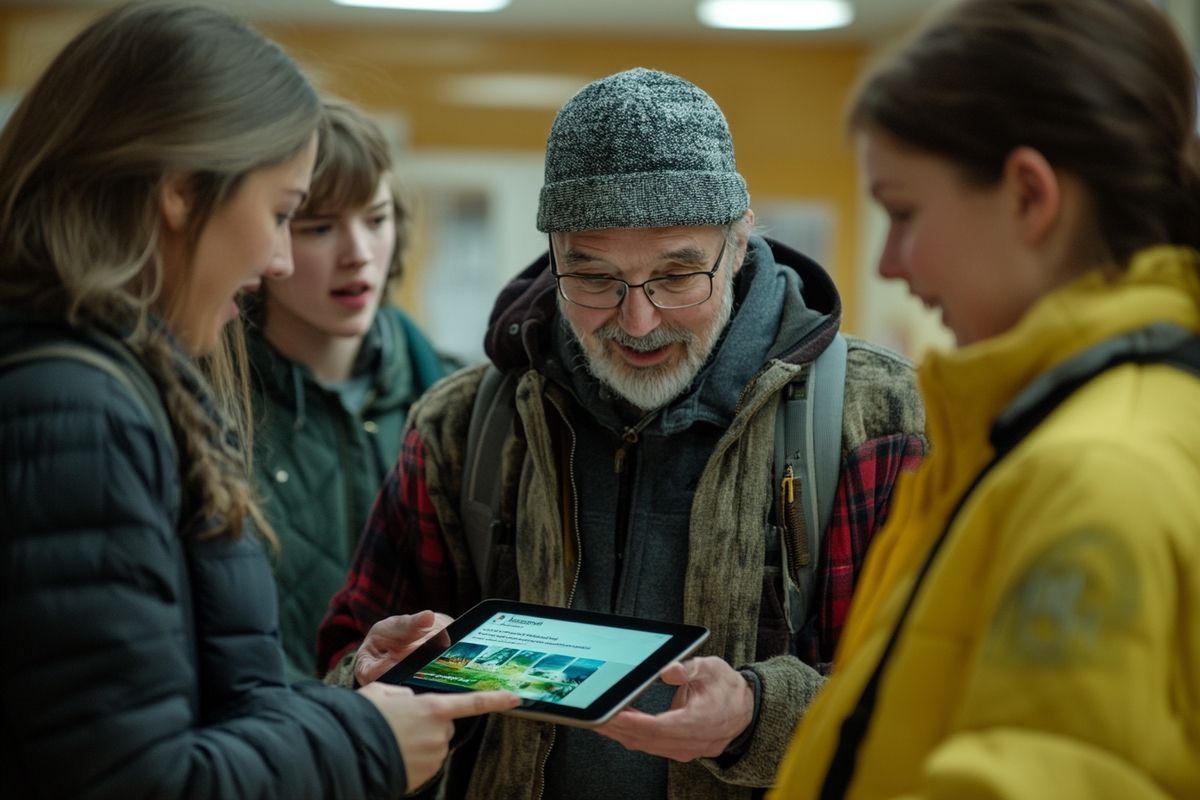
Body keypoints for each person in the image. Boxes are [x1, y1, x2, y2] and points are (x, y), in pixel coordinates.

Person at [318, 67, 927, 798]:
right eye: (595, 279)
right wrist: (371, 678)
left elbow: (930, 698)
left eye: (677, 277)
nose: (637, 322)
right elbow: (348, 661)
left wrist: (758, 716)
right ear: (553, 259)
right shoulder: (462, 426)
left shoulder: (878, 419)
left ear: (739, 243)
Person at [0, 5, 517, 798]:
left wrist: (344, 696)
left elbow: (182, 711)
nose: (277, 259)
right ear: (179, 192)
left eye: (373, 219)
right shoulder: (79, 410)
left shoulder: (125, 382)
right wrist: (362, 740)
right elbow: (139, 778)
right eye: (285, 214)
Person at [772, 0, 1200, 797]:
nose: (892, 262)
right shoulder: (1032, 432)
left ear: (1030, 197)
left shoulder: (1097, 473)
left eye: (904, 212)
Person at [244, 98, 455, 682]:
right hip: (268, 751)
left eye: (376, 218)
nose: (358, 252)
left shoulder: (455, 403)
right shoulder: (209, 408)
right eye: (319, 227)